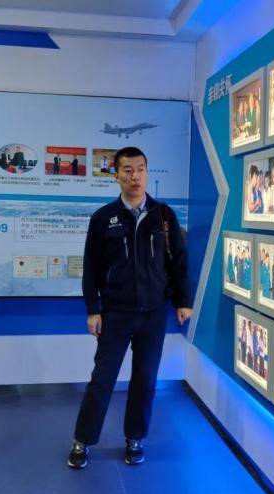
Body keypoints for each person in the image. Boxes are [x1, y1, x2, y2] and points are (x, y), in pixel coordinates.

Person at [67, 147, 192, 469]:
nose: (135, 176)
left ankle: (135, 438)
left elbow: (179, 262)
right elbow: (91, 267)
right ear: (117, 175)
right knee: (102, 379)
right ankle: (82, 440)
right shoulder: (103, 218)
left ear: (147, 172)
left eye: (140, 169)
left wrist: (183, 301)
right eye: (127, 170)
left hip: (153, 313)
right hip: (116, 313)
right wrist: (92, 309)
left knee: (145, 379)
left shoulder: (164, 216)